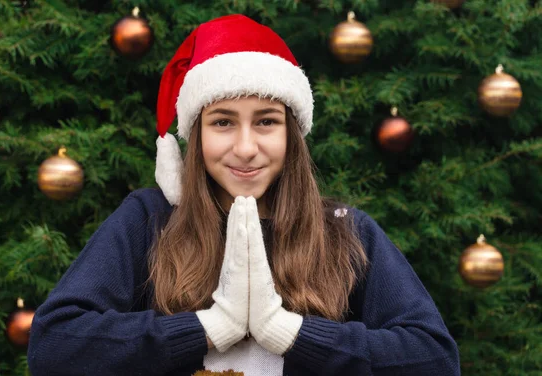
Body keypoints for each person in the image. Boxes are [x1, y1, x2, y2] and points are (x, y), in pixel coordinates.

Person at [26, 14, 460, 376]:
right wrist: (208, 327)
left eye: (267, 121)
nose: (246, 147)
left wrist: (288, 333)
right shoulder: (150, 219)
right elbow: (54, 344)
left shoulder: (345, 230)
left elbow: (435, 357)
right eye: (223, 122)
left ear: (293, 134)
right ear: (195, 135)